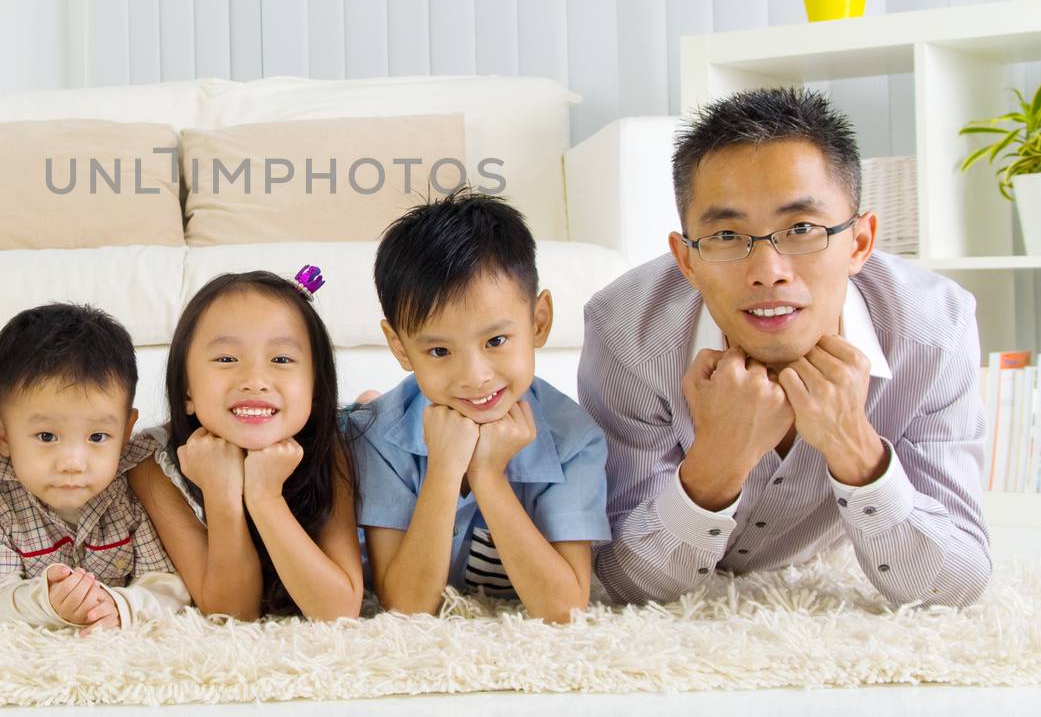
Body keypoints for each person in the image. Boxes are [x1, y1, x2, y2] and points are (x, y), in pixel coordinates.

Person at [579, 87, 991, 607]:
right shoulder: (627, 332)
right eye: (727, 235)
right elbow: (621, 580)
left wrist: (855, 449)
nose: (769, 273)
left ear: (860, 243)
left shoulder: (934, 330)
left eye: (801, 228)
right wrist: (716, 462)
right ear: (687, 261)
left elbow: (955, 586)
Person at [352, 190, 609, 622]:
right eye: (438, 351)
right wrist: (445, 470)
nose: (474, 376)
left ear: (539, 321)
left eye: (495, 341)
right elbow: (405, 606)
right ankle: (364, 401)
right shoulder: (378, 438)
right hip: (371, 420)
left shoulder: (574, 439)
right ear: (399, 347)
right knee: (353, 421)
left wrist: (487, 476)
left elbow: (565, 608)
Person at [127, 269, 363, 620]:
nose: (255, 381)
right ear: (186, 390)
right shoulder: (154, 465)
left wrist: (266, 496)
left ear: (315, 388)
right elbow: (232, 614)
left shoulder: (330, 446)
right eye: (226, 359)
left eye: (281, 359)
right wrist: (222, 493)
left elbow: (339, 611)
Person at [0, 303, 189, 630]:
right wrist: (49, 601)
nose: (73, 463)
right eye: (47, 436)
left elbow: (167, 584)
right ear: (1, 433)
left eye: (98, 436)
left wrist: (120, 607)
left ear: (126, 431)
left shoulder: (134, 484)